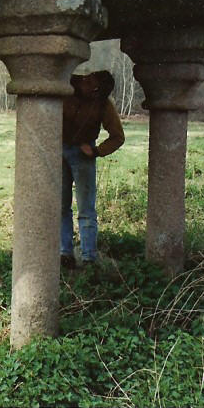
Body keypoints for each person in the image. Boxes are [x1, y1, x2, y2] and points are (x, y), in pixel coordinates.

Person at [61, 70, 125, 269]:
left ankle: (89, 257)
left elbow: (118, 136)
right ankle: (65, 254)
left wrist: (96, 151)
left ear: (97, 91)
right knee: (60, 206)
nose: (84, 81)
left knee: (86, 208)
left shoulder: (104, 104)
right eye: (86, 78)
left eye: (90, 82)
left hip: (83, 155)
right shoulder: (67, 89)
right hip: (59, 151)